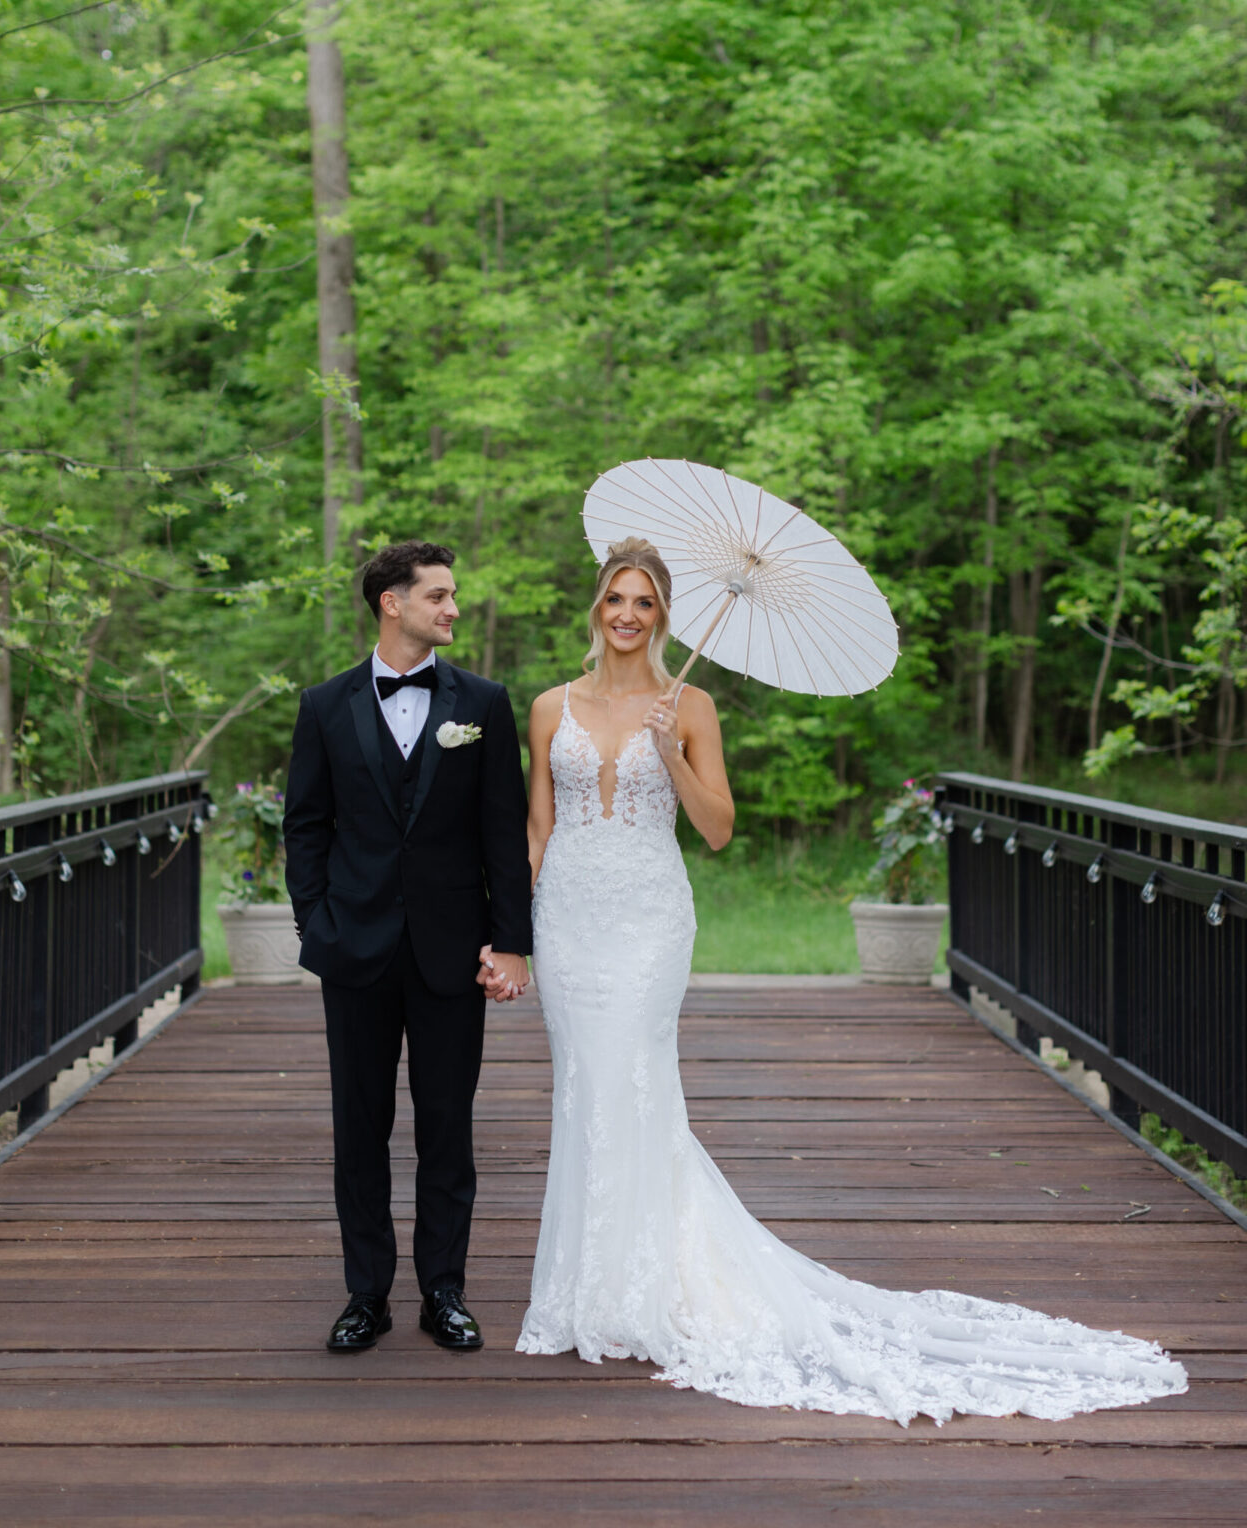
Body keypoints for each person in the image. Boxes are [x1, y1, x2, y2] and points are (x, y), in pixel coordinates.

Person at [507, 536, 1188, 1424]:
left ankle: (647, 1291)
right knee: (582, 1090)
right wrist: (514, 933)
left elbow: (716, 829)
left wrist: (671, 752)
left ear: (663, 616)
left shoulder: (693, 707)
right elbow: (536, 827)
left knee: (633, 1086)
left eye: (644, 603)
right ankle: (586, 1292)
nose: (628, 616)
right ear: (595, 606)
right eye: (615, 599)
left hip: (645, 924)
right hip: (569, 923)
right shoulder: (548, 706)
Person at [284, 540, 531, 1355]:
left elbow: (504, 829)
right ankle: (366, 1294)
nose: (454, 607)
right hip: (353, 948)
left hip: (451, 950)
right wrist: (316, 925)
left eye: (453, 594)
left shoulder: (484, 703)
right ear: (392, 603)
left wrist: (511, 942)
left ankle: (444, 1291)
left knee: (447, 1126)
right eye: (439, 595)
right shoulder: (324, 705)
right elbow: (306, 827)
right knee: (358, 1128)